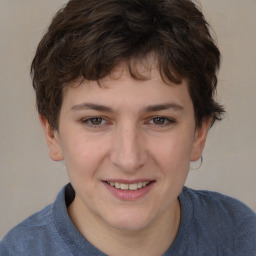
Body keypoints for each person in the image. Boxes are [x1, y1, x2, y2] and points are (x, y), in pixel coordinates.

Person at [1, 0, 255, 255]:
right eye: (95, 120)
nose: (129, 159)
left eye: (159, 120)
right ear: (52, 134)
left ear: (199, 134)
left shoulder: (243, 238)